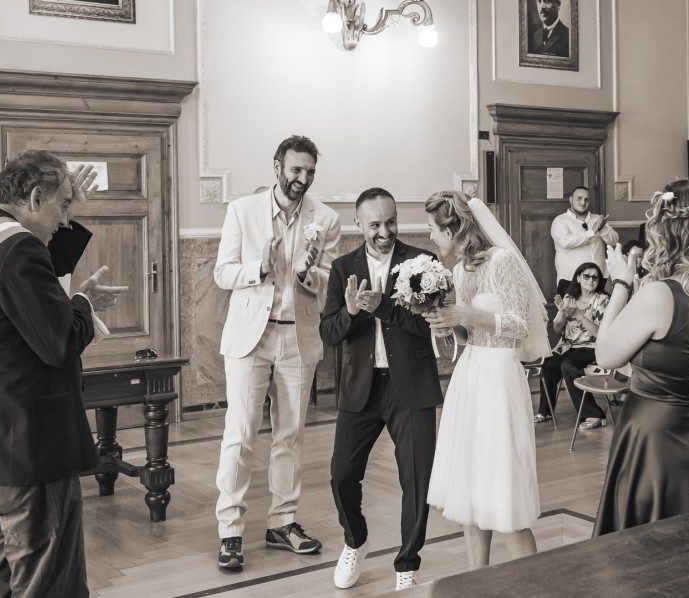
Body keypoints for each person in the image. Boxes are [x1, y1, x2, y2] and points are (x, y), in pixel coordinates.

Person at [0, 150, 127, 596]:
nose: (65, 219)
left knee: (1, 582)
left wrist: (67, 217)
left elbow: (27, 293)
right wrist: (83, 304)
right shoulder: (18, 249)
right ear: (37, 197)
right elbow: (59, 342)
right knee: (49, 583)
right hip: (30, 449)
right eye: (62, 205)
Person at [213, 135, 341, 569]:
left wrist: (308, 275)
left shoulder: (326, 219)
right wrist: (261, 268)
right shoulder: (242, 211)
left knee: (290, 435)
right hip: (251, 338)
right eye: (296, 170)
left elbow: (329, 282)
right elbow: (222, 273)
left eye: (310, 172)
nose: (302, 178)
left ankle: (283, 523)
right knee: (241, 434)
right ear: (277, 166)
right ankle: (231, 531)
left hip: (297, 338)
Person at [592, 179, 689, 536]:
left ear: (669, 231)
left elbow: (606, 355)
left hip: (656, 440)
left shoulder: (660, 295)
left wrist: (621, 283)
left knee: (653, 549)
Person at [320, 188, 442, 592]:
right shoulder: (342, 268)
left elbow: (429, 326)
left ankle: (407, 564)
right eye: (375, 225)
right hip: (361, 387)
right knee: (341, 475)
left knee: (417, 481)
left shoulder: (423, 263)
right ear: (358, 224)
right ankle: (356, 541)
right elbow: (329, 332)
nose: (385, 232)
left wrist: (383, 308)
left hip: (411, 386)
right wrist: (352, 311)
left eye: (391, 222)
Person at [424, 191, 551, 570]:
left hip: (499, 378)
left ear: (452, 229)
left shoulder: (503, 261)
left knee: (503, 494)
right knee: (470, 492)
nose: (430, 236)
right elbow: (468, 335)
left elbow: (519, 325)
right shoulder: (459, 271)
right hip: (470, 375)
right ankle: (475, 580)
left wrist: (464, 314)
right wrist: (448, 325)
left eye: (433, 229)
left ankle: (535, 587)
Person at [535, 262, 610, 428]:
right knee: (549, 364)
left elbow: (599, 333)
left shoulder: (602, 300)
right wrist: (562, 314)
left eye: (595, 277)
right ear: (578, 278)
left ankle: (594, 414)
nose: (591, 280)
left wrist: (578, 314)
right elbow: (556, 329)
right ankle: (545, 411)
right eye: (587, 276)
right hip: (567, 346)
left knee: (568, 366)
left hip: (591, 346)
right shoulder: (569, 299)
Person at [551, 186, 618, 294]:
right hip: (571, 279)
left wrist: (602, 229)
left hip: (599, 279)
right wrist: (592, 231)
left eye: (586, 199)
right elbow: (566, 242)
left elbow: (614, 241)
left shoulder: (597, 219)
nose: (583, 202)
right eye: (579, 198)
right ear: (571, 199)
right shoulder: (560, 221)